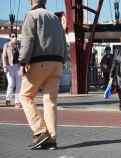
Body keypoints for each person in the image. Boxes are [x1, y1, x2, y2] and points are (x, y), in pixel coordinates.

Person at [19, 0, 67, 150]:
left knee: (25, 96)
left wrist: (23, 61)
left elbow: (28, 40)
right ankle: (52, 139)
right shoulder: (54, 17)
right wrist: (62, 59)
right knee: (50, 101)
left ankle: (40, 131)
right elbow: (63, 40)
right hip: (57, 63)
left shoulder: (31, 15)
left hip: (40, 61)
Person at [2, 32, 22, 108]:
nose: (15, 37)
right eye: (13, 36)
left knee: (18, 84)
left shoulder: (18, 45)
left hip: (18, 66)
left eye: (15, 36)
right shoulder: (6, 45)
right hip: (9, 66)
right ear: (10, 37)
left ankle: (17, 101)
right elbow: (4, 56)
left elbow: (22, 55)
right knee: (11, 83)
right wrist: (4, 66)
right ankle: (8, 98)